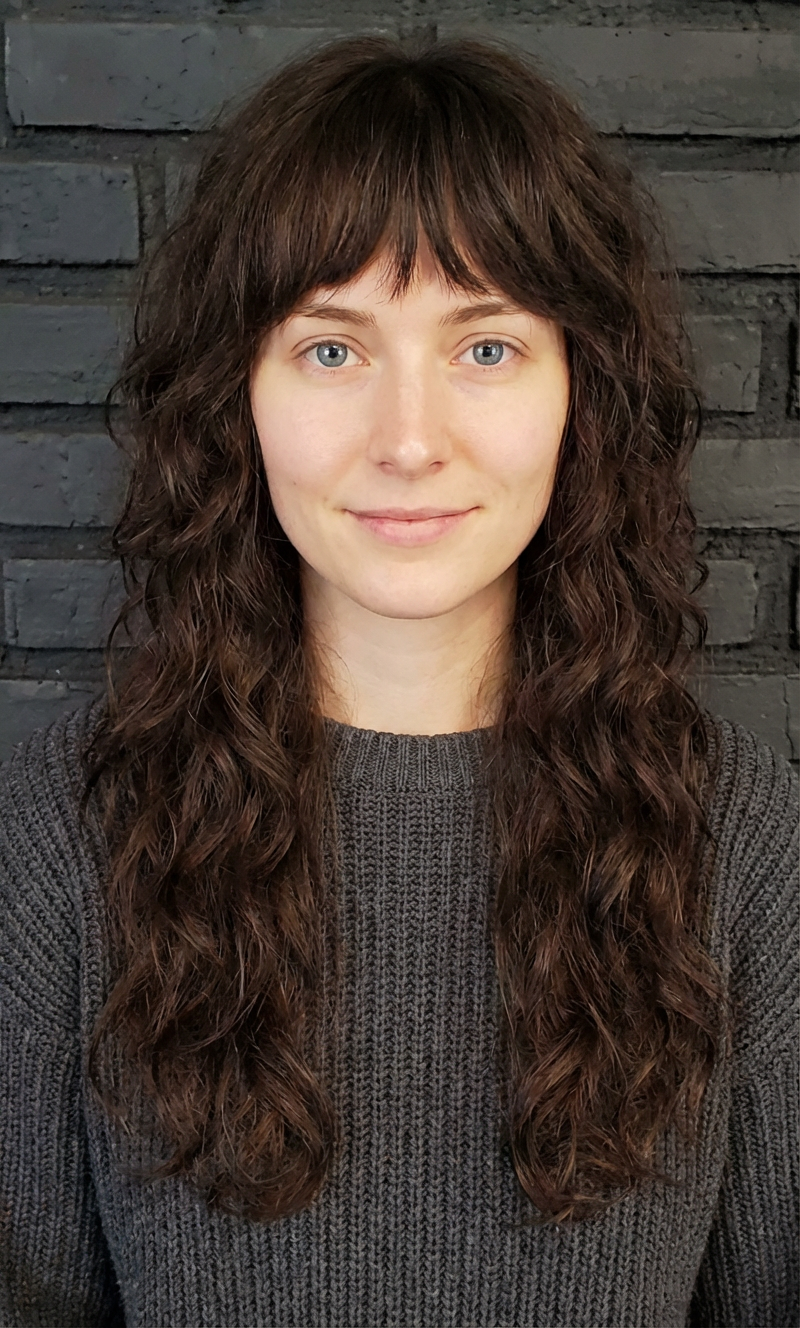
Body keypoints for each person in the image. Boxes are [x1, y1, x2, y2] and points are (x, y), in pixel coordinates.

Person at [0, 33, 797, 1328]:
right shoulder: (58, 843)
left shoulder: (743, 841)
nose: (411, 441)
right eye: (332, 350)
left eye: (485, 347)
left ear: (577, 390)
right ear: (235, 394)